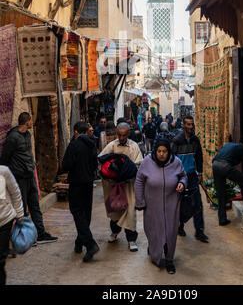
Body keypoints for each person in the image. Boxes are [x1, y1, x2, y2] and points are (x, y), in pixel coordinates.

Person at [0, 112, 58, 245]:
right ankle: (24, 238)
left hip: (30, 176)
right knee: (22, 208)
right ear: (27, 122)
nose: (32, 122)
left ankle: (41, 234)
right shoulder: (13, 137)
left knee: (35, 206)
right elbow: (5, 158)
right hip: (19, 178)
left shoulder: (27, 135)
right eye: (31, 120)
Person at [135, 140, 187, 274]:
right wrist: (139, 201)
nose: (162, 154)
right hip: (152, 205)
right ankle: (154, 249)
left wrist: (182, 183)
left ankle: (169, 260)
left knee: (170, 232)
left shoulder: (176, 162)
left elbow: (183, 176)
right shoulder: (147, 162)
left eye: (165, 151)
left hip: (172, 204)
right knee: (153, 230)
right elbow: (139, 180)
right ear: (155, 151)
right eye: (159, 151)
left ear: (169, 152)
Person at [99, 122, 143, 252]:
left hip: (128, 186)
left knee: (130, 212)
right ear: (117, 134)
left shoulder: (134, 147)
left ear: (128, 134)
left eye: (124, 135)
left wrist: (127, 173)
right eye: (119, 135)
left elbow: (139, 164)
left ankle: (131, 240)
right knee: (115, 211)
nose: (122, 138)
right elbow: (102, 161)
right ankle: (115, 232)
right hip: (114, 186)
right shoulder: (111, 146)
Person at [62, 121, 100, 262]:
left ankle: (90, 244)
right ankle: (79, 243)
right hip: (88, 183)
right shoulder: (92, 144)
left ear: (76, 132)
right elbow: (95, 165)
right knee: (85, 213)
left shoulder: (74, 145)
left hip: (77, 183)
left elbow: (66, 165)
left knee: (77, 212)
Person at [172, 115, 209, 243]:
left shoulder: (195, 140)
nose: (190, 127)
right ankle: (180, 226)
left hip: (192, 176)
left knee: (197, 203)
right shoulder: (176, 140)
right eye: (188, 124)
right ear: (183, 125)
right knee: (180, 203)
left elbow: (199, 157)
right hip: (180, 177)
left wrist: (200, 173)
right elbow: (171, 160)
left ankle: (199, 231)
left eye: (192, 124)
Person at [212, 137, 243, 226]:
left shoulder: (229, 144)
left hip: (215, 165)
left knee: (221, 193)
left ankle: (222, 219)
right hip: (225, 166)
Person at [0, 165, 24, 285]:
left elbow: (15, 192)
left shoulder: (4, 171)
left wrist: (19, 214)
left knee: (0, 259)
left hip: (5, 220)